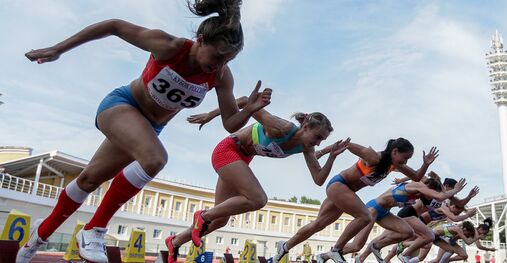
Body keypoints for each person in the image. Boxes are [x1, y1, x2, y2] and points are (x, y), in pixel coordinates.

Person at [17, 1, 271, 262]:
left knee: (88, 180)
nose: (219, 65)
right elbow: (114, 25)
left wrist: (249, 110)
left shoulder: (221, 77)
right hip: (122, 105)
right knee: (154, 159)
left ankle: (37, 237)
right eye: (217, 56)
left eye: (227, 60)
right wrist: (59, 49)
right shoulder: (169, 46)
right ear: (200, 39)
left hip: (149, 127)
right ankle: (94, 230)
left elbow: (230, 123)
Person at [165, 110, 350, 263]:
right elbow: (246, 102)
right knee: (258, 199)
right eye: (318, 137)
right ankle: (203, 216)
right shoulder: (283, 128)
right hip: (228, 150)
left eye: (322, 141)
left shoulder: (306, 148)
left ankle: (175, 241)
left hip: (242, 160)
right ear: (306, 126)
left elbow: (318, 178)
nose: (318, 143)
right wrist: (211, 115)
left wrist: (331, 155)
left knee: (220, 220)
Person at [274, 141, 440, 263]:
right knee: (365, 217)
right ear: (394, 151)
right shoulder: (374, 157)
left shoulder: (393, 165)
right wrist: (322, 153)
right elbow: (348, 145)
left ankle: (285, 246)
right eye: (404, 158)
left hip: (346, 192)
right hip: (339, 184)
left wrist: (425, 164)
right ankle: (336, 250)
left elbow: (417, 176)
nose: (405, 163)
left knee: (318, 224)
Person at [354, 174, 466, 263]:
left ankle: (364, 257)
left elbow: (459, 203)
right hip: (409, 213)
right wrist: (400, 180)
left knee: (389, 236)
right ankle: (403, 254)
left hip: (415, 217)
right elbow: (416, 175)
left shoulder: (447, 199)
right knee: (425, 239)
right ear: (447, 186)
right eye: (454, 189)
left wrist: (469, 197)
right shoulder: (432, 188)